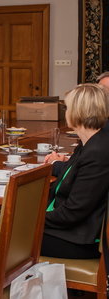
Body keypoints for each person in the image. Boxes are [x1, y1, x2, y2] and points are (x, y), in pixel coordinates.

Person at [42, 84, 109, 259]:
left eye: (68, 108)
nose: (66, 112)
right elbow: (76, 171)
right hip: (73, 228)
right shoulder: (91, 141)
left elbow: (73, 213)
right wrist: (54, 166)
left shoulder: (97, 151)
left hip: (79, 238)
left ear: (77, 112)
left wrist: (31, 217)